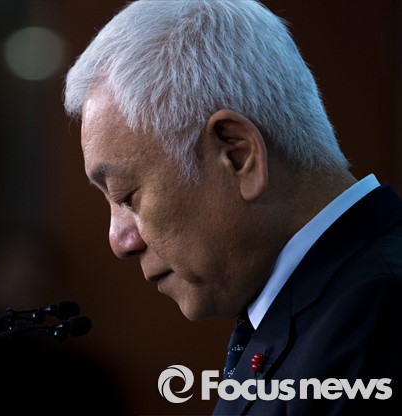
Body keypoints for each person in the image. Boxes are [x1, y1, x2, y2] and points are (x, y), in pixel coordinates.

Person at [63, 1, 401, 415]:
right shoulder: (334, 306)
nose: (120, 241)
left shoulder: (379, 320)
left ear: (238, 155)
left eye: (125, 195)